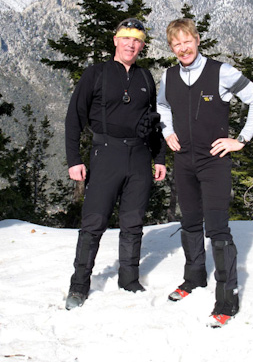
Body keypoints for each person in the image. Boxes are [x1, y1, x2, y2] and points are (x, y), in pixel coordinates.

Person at [157, 18, 253, 327]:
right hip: (184, 161)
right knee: (190, 222)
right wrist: (167, 132)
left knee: (218, 231)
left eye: (187, 41)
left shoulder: (222, 72)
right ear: (172, 48)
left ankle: (227, 299)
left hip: (214, 161)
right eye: (176, 44)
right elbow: (162, 107)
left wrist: (241, 140)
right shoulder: (168, 76)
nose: (183, 48)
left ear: (197, 39)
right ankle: (193, 278)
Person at [65, 18, 166, 310]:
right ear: (115, 40)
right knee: (94, 222)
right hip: (105, 153)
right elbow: (74, 118)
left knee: (133, 223)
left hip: (138, 157)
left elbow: (153, 122)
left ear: (142, 46)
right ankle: (79, 285)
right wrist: (74, 160)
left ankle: (129, 279)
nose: (131, 45)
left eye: (137, 41)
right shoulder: (96, 74)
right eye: (126, 39)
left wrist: (159, 157)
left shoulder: (146, 78)